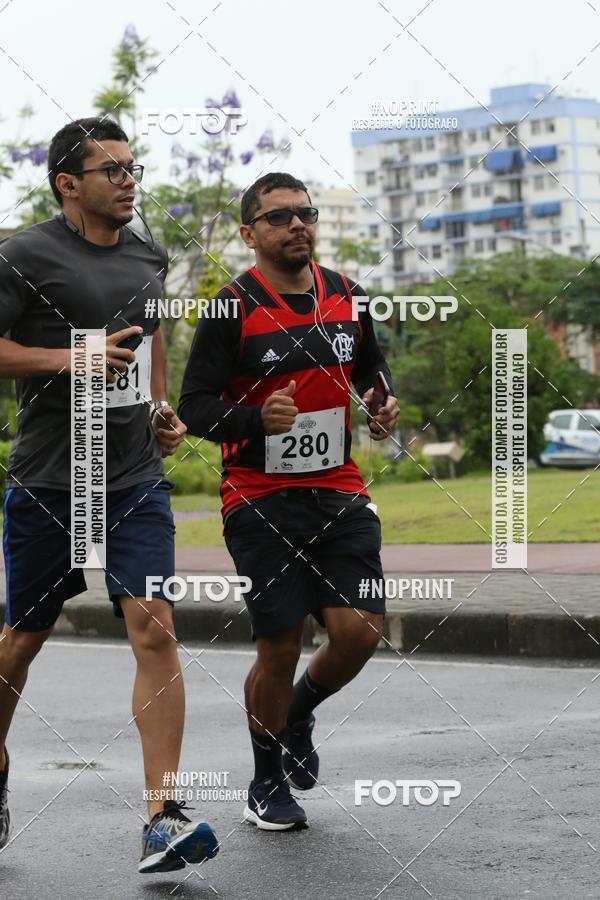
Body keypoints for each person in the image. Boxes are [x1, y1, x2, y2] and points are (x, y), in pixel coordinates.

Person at [0, 117, 218, 873]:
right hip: (50, 481)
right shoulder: (21, 255)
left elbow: (149, 343)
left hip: (131, 481)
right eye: (112, 170)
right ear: (68, 183)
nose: (129, 181)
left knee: (155, 628)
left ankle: (163, 817)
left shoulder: (147, 254)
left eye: (133, 168)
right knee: (20, 644)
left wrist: (161, 409)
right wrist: (71, 355)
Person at [179, 172, 399, 830]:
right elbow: (194, 408)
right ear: (250, 234)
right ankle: (266, 780)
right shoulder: (230, 307)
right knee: (278, 644)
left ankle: (298, 712)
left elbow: (369, 367)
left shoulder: (346, 295)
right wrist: (253, 420)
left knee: (360, 631)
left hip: (338, 489)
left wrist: (380, 402)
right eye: (279, 217)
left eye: (304, 213)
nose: (297, 224)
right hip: (258, 496)